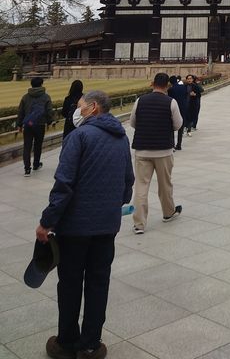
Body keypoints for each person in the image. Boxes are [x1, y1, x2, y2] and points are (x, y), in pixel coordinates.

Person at [37, 90, 134, 359]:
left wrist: (47, 221)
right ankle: (91, 344)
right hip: (106, 226)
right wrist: (111, 205)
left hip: (75, 228)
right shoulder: (121, 138)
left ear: (92, 108)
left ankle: (66, 341)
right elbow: (128, 183)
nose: (76, 111)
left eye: (79, 106)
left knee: (69, 283)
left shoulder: (78, 137)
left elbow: (64, 184)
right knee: (98, 282)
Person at [130, 73, 183, 235]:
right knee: (165, 184)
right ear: (167, 85)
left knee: (141, 186)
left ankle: (139, 223)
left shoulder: (140, 100)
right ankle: (168, 212)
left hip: (142, 149)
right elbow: (178, 125)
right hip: (163, 150)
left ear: (152, 84)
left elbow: (133, 122)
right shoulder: (171, 102)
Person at [17, 76, 54, 177]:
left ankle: (27, 168)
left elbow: (21, 112)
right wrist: (49, 122)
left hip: (28, 124)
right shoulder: (46, 97)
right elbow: (49, 111)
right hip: (40, 124)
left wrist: (19, 124)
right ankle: (36, 164)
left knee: (27, 146)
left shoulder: (25, 97)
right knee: (38, 145)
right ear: (41, 84)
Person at [168, 76, 188, 150]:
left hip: (174, 108)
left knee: (171, 127)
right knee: (181, 127)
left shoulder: (170, 89)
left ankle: (172, 144)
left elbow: (170, 99)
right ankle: (179, 144)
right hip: (183, 108)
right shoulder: (183, 87)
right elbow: (186, 96)